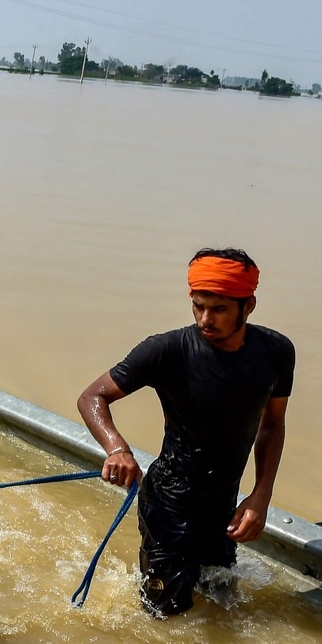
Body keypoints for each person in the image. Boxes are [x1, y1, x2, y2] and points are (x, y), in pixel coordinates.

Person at [76, 248, 294, 616]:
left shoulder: (276, 352)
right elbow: (92, 397)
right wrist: (117, 448)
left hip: (223, 510)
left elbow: (272, 425)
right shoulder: (167, 350)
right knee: (163, 620)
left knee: (222, 608)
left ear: (249, 305)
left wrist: (260, 497)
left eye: (219, 308)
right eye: (198, 306)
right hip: (169, 506)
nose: (205, 318)